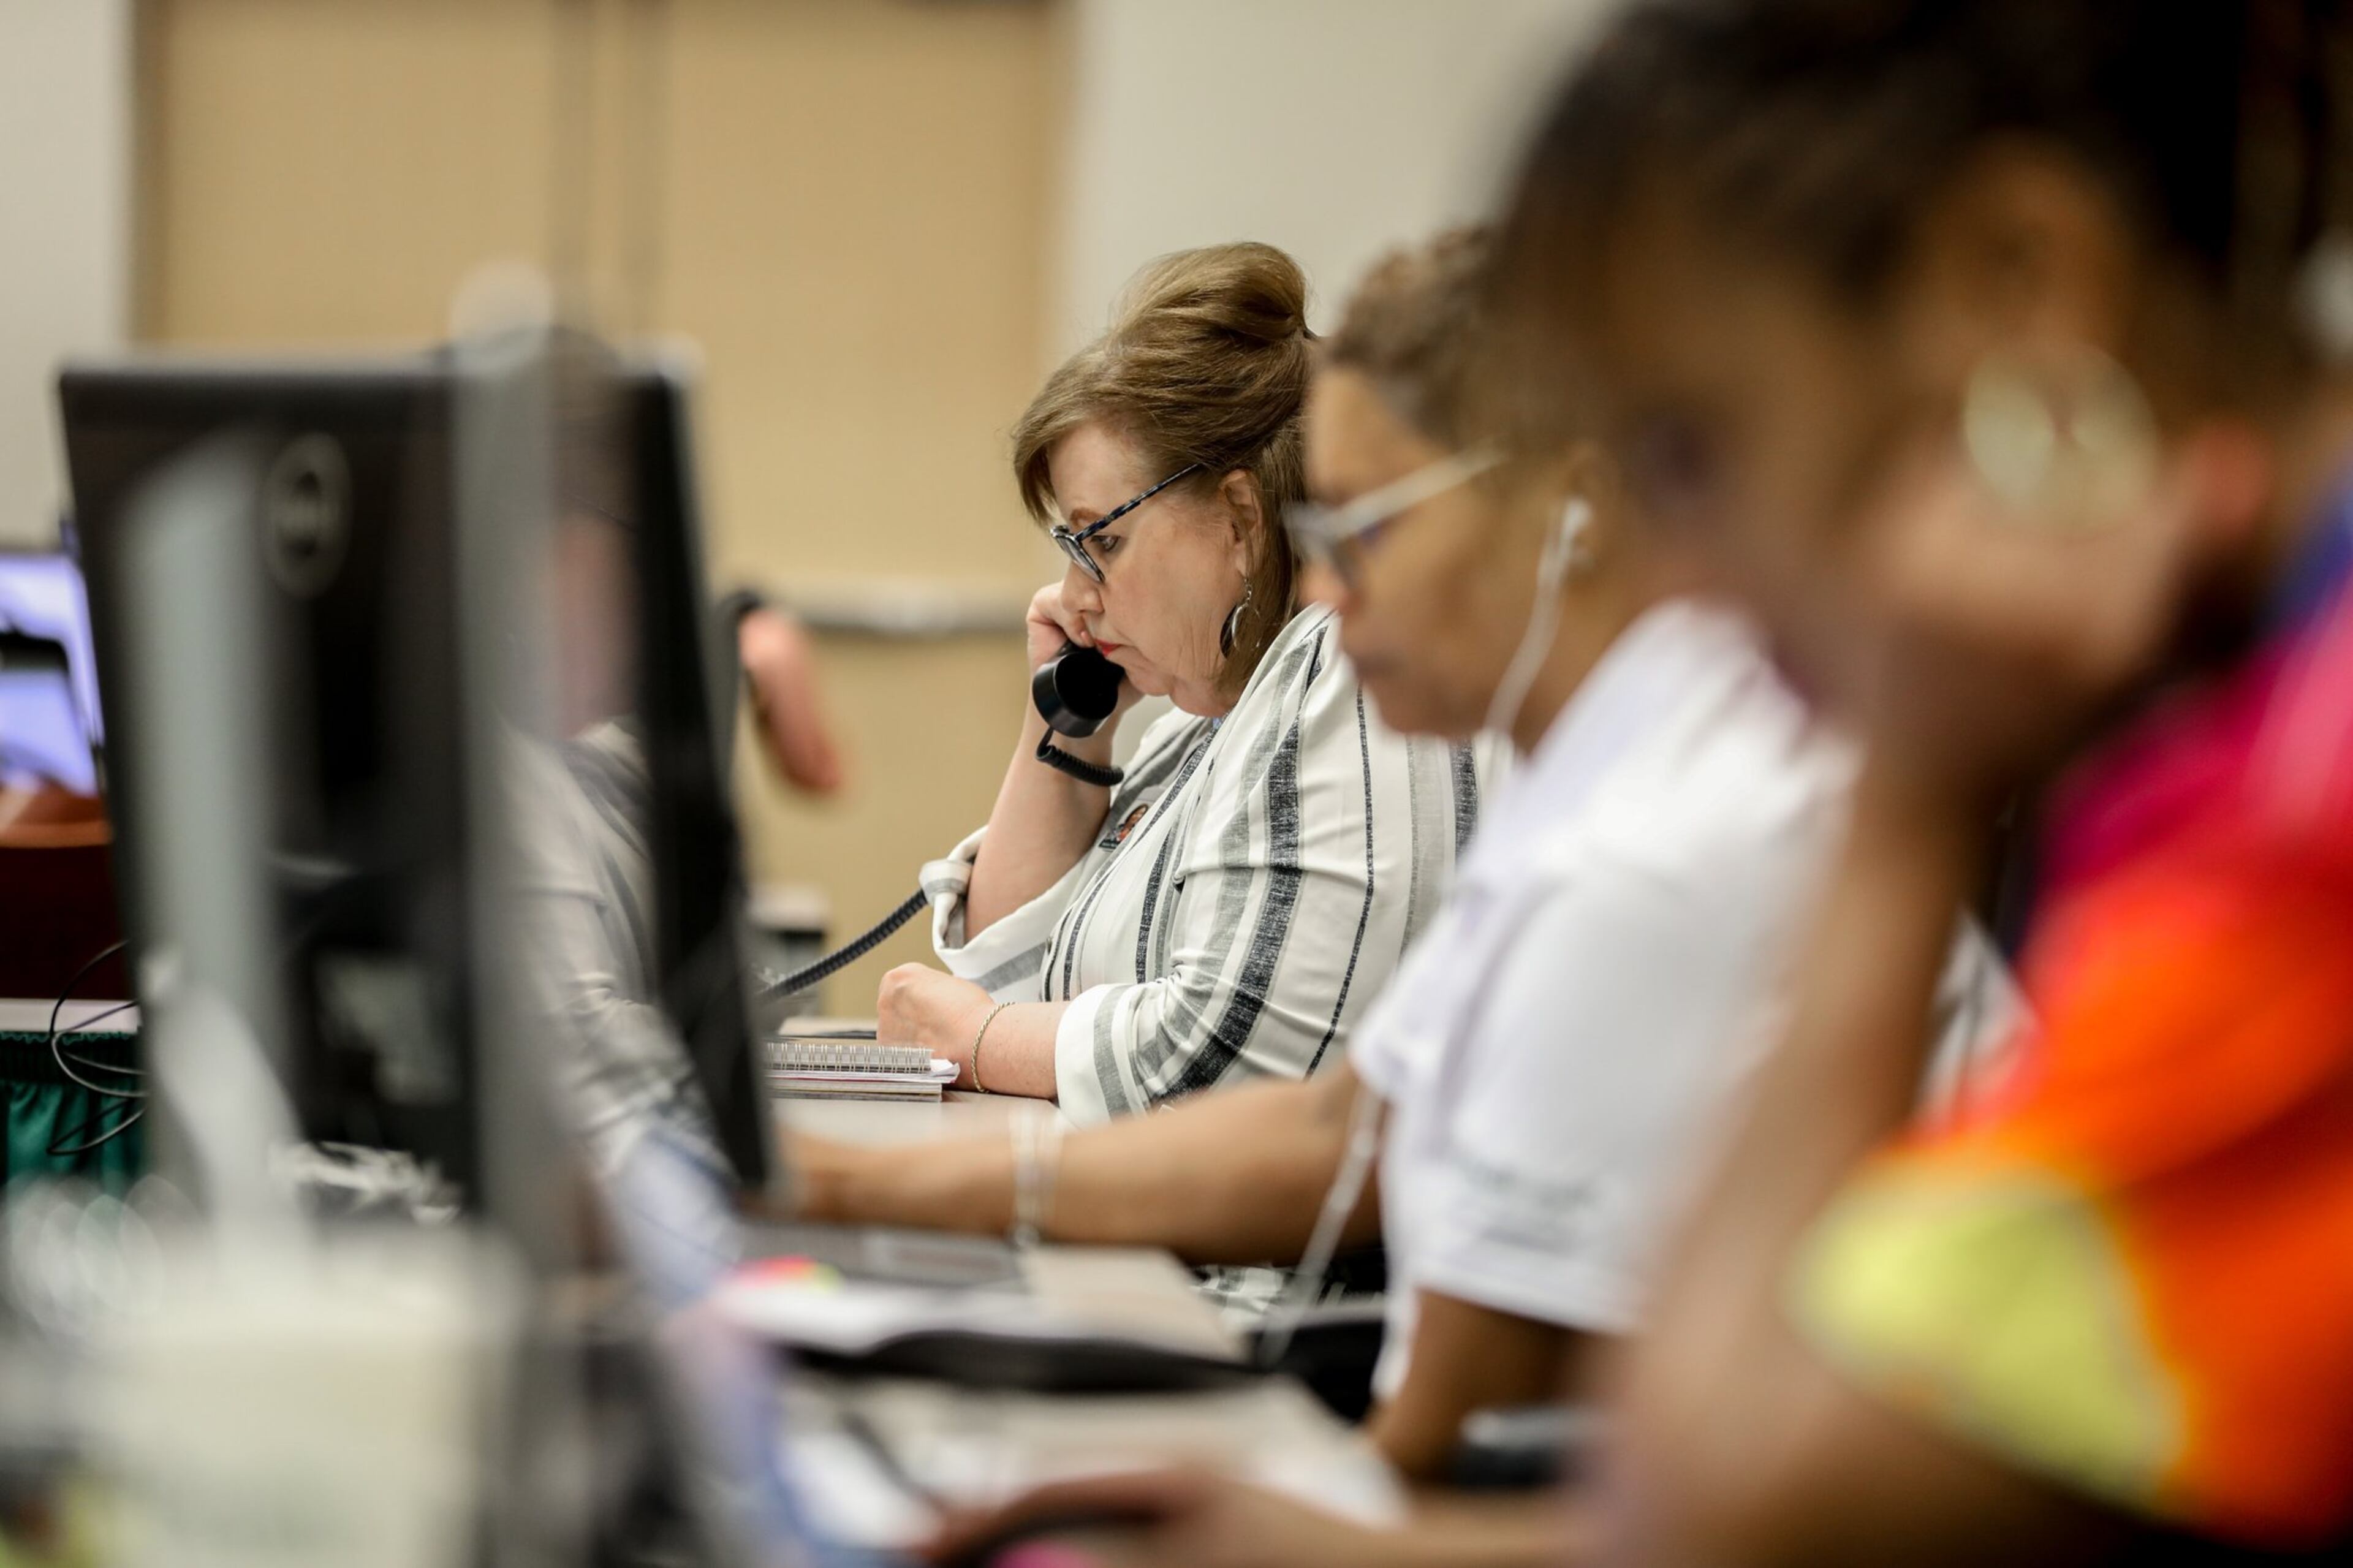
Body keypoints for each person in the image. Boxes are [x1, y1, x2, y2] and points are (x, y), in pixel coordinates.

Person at [802, 230, 2014, 1502]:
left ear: (1566, 513)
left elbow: (1424, 1445)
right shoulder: (1602, 771)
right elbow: (1349, 1126)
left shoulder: (1655, 837)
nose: (1319, 586)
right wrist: (866, 1184)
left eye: (1363, 530)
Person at [1469, 2, 2353, 1564]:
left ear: (2023, 277)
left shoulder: (2310, 789)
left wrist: (1905, 803)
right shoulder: (2227, 708)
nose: (1681, 586)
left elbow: (1736, 1509)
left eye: (1690, 449)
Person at [868, 242, 1487, 1117]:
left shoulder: (1340, 676)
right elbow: (1013, 977)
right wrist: (1066, 728)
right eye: (1070, 551)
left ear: (1239, 520)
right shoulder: (1198, 732)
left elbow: (1229, 1058)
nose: (1076, 596)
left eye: (1103, 543)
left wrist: (981, 1041)